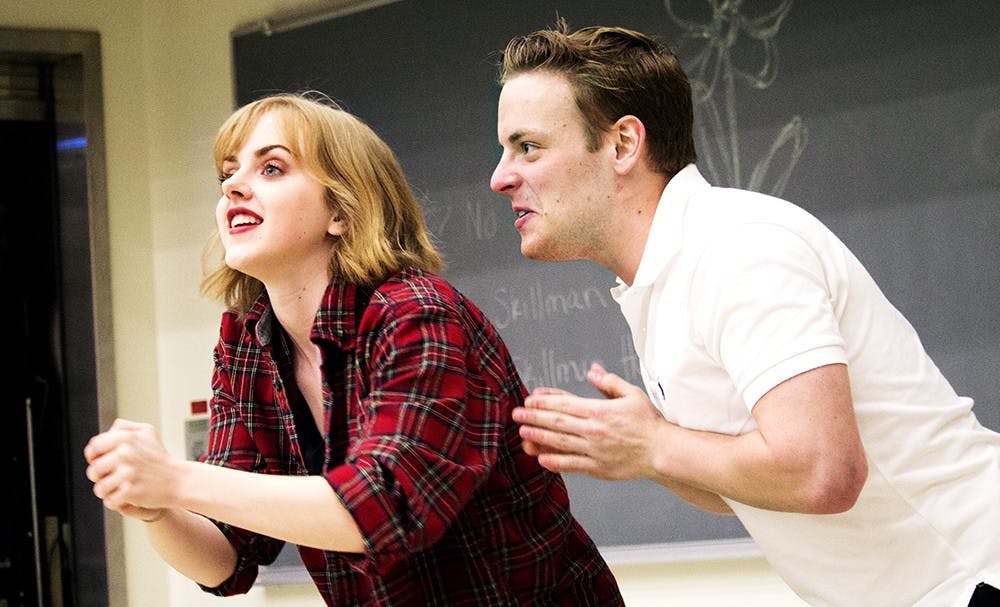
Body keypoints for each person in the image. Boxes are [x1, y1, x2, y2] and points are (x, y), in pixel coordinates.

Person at [490, 21, 1000, 607]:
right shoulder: (664, 274)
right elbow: (745, 487)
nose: (500, 177)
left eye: (528, 147)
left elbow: (822, 472)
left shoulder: (736, 248)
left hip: (973, 578)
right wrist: (643, 450)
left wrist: (654, 445)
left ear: (624, 144)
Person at [84, 93, 624, 607]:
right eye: (228, 174)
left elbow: (385, 508)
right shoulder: (248, 341)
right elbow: (227, 559)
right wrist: (157, 508)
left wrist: (176, 478)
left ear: (340, 211)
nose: (233, 189)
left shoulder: (416, 314)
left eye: (271, 168)